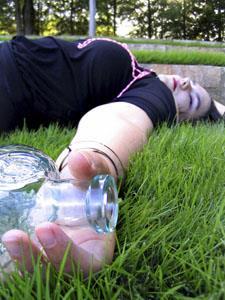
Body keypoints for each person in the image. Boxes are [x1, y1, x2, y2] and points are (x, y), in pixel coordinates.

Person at [1, 36, 225, 275]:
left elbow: (123, 118)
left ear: (175, 117)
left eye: (192, 101)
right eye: (192, 84)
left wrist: (91, 162)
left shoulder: (153, 93)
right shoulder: (134, 75)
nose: (187, 84)